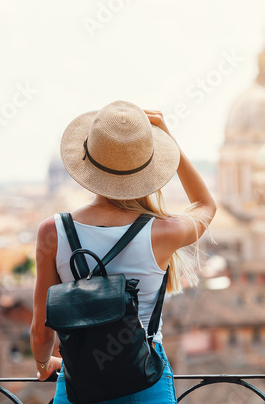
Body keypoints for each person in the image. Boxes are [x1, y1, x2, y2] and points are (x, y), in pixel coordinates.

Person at [30, 100, 216, 403]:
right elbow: (206, 205)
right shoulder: (163, 232)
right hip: (144, 382)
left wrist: (43, 365)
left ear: (88, 162)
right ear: (149, 167)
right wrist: (170, 142)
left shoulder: (52, 232)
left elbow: (41, 333)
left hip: (79, 383)